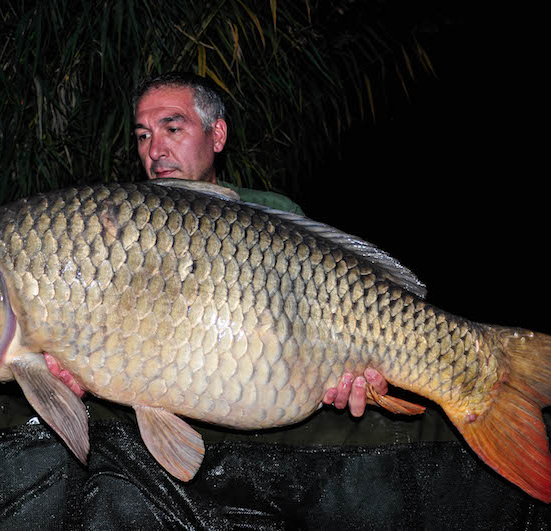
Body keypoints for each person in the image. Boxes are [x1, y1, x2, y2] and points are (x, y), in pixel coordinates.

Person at [132, 71, 390, 417]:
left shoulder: (276, 214)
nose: (155, 150)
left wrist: (356, 378)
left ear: (217, 135)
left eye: (173, 129)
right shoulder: (123, 226)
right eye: (143, 135)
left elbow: (330, 331)